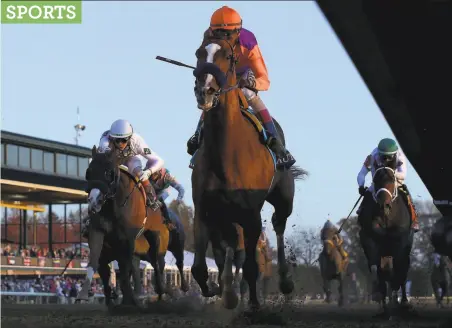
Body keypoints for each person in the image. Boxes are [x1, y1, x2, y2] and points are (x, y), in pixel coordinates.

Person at [187, 5, 296, 170]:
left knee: (246, 92)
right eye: (217, 33)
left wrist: (251, 83)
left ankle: (277, 143)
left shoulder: (248, 42)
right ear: (211, 31)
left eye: (227, 34)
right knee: (209, 91)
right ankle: (198, 136)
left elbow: (264, 80)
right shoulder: (208, 37)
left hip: (244, 76)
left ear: (238, 32)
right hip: (222, 73)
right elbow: (204, 58)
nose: (222, 38)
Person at [97, 119, 165, 211]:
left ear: (129, 137)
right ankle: (96, 198)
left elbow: (159, 160)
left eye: (124, 140)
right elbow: (103, 156)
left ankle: (152, 199)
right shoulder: (105, 140)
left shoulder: (137, 141)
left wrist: (148, 172)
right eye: (117, 140)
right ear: (112, 137)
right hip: (113, 158)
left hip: (131, 159)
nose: (120, 144)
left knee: (140, 174)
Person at [356, 138, 419, 232]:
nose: (386, 159)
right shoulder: (372, 156)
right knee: (368, 192)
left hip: (394, 181)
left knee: (405, 191)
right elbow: (361, 174)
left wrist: (390, 173)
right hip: (377, 182)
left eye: (389, 157)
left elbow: (403, 174)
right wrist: (361, 186)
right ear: (379, 153)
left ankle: (414, 218)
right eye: (384, 157)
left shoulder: (400, 155)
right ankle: (361, 213)